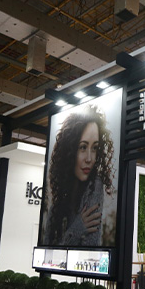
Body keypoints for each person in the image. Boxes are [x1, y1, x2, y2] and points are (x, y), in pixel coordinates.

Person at [45, 104, 115, 246]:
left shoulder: (94, 186)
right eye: (83, 147)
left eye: (94, 148)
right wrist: (77, 228)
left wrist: (72, 233)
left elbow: (90, 246)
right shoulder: (60, 199)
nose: (89, 158)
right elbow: (48, 247)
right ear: (69, 150)